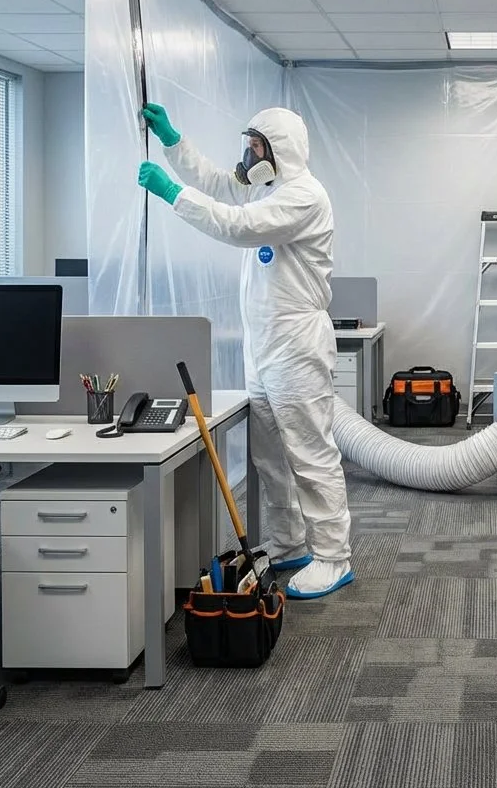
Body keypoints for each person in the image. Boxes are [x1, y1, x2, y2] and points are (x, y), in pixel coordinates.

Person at [136, 102, 354, 600]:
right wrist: (173, 142)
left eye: (256, 146)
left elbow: (235, 226)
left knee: (310, 453)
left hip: (296, 343)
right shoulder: (267, 187)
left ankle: (333, 556)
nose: (248, 155)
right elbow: (218, 184)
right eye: (249, 145)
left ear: (281, 150)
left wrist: (171, 194)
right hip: (263, 343)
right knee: (270, 455)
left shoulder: (303, 196)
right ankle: (288, 543)